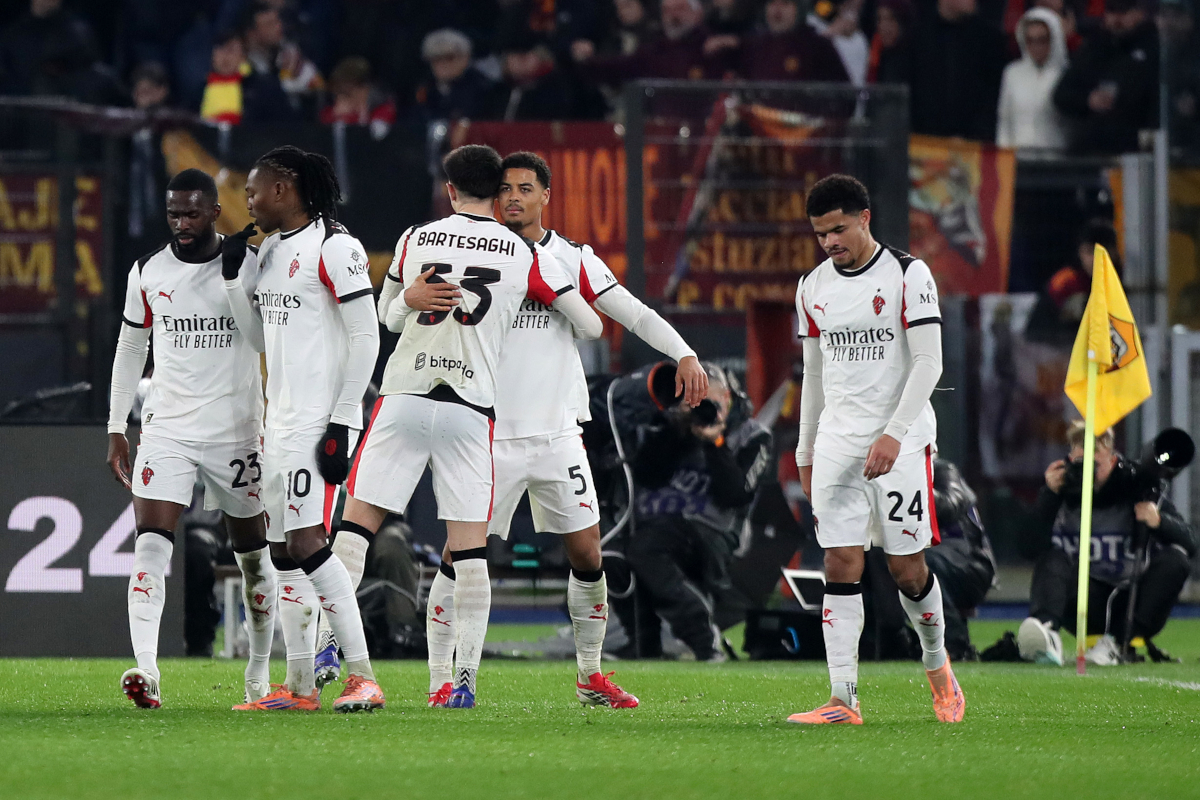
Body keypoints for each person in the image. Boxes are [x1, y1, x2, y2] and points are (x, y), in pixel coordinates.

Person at [419, 151, 708, 706]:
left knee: (588, 556)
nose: (513, 199)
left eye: (525, 189)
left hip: (556, 435)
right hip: (488, 433)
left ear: (546, 196)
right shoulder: (474, 255)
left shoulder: (571, 259)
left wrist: (685, 353)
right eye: (505, 189)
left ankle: (590, 675)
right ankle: (439, 678)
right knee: (458, 558)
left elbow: (633, 313)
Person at [337, 145, 603, 709]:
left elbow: (386, 318)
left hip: (405, 395)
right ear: (496, 190)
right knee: (469, 551)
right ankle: (464, 684)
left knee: (357, 527)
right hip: (471, 410)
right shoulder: (521, 251)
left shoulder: (415, 238)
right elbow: (589, 324)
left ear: (450, 189)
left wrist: (410, 298)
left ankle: (327, 653)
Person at [789, 174, 964, 725]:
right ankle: (843, 699)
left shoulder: (910, 275)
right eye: (821, 234)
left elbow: (929, 362)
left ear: (865, 217)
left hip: (903, 439)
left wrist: (894, 433)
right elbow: (812, 371)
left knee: (906, 568)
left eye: (838, 229)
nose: (831, 242)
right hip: (838, 441)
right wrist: (804, 445)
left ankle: (938, 668)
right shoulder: (812, 287)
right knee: (840, 561)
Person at [106, 169, 276, 710]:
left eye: (192, 213)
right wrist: (116, 426)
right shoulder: (148, 271)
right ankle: (148, 670)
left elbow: (263, 340)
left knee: (252, 556)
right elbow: (131, 349)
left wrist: (231, 283)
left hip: (237, 431)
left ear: (214, 211)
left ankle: (257, 673)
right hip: (169, 427)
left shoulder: (249, 264)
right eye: (173, 213)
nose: (181, 223)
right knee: (151, 545)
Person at [222, 146, 383, 713]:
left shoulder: (336, 246)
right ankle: (300, 688)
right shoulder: (265, 252)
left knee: (309, 543)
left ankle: (362, 676)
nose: (247, 200)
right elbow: (260, 339)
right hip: (278, 420)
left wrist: (344, 417)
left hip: (319, 420)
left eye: (253, 190)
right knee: (282, 553)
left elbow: (367, 337)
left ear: (285, 187)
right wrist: (232, 280)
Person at [619, 363, 772, 661]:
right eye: (696, 400)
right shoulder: (677, 430)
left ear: (727, 397)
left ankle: (703, 635)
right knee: (613, 557)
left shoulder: (753, 436)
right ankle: (643, 644)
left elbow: (736, 495)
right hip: (662, 527)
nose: (703, 408)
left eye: (710, 401)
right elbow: (647, 475)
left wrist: (715, 442)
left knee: (647, 548)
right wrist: (676, 430)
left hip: (714, 532)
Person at [1016, 423, 1196, 665]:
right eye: (1082, 464)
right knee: (1053, 557)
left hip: (1131, 604)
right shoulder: (1060, 493)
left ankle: (1119, 643)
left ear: (1112, 461)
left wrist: (1160, 521)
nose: (1088, 472)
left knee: (1176, 559)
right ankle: (1047, 633)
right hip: (1083, 601)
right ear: (1069, 460)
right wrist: (1049, 494)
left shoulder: (1137, 488)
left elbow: (1191, 543)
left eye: (1095, 465)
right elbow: (1028, 548)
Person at [1052, 0, 1160, 154]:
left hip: (1134, 150)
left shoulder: (1154, 49)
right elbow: (1061, 95)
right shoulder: (1094, 47)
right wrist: (1088, 100)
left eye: (1123, 12)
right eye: (1111, 11)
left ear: (1140, 13)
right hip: (1092, 148)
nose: (1117, 19)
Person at [908, 0, 1007, 141]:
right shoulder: (917, 39)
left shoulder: (990, 40)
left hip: (975, 145)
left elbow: (993, 95)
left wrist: (972, 135)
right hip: (926, 144)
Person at [996, 8, 1071, 150]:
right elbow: (1004, 120)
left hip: (1055, 158)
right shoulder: (1013, 73)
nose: (1036, 47)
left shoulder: (1065, 74)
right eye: (1030, 40)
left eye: (1042, 40)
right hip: (1018, 158)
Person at [738, 0, 849, 83]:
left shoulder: (817, 46)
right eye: (772, 3)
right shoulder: (754, 46)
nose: (777, 10)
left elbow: (842, 96)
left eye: (785, 3)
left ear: (798, 9)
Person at [413, 28, 498, 123]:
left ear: (465, 58)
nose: (442, 64)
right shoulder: (424, 89)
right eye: (436, 58)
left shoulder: (483, 89)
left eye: (449, 57)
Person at [319, 56, 396, 138]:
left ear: (363, 90)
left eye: (346, 94)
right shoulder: (331, 113)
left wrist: (356, 118)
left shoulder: (383, 111)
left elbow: (371, 139)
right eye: (338, 93)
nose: (339, 98)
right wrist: (337, 117)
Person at [868, 0, 914, 85]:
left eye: (891, 19)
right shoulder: (878, 55)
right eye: (880, 19)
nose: (883, 26)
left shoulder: (915, 60)